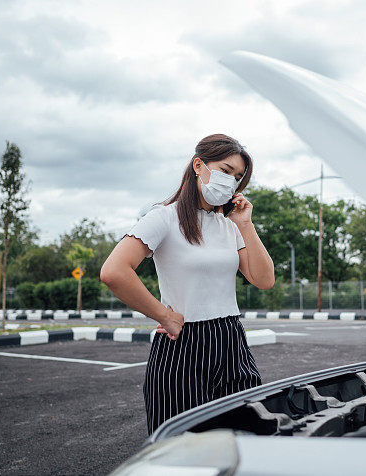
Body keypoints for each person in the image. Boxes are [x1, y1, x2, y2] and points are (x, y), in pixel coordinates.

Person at [100, 133, 276, 436]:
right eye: (225, 170)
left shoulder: (229, 226)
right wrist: (164, 316)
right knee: (183, 449)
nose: (231, 182)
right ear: (199, 165)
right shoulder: (164, 217)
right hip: (183, 344)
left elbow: (264, 279)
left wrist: (245, 224)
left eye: (237, 177)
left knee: (247, 439)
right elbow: (114, 271)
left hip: (231, 340)